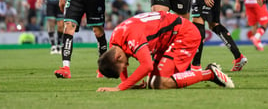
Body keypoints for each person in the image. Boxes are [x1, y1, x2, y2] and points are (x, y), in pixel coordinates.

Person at [97, 11, 234, 91]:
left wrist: (120, 87)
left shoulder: (132, 37)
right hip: (168, 40)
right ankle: (204, 73)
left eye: (123, 66)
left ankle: (209, 73)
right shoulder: (116, 40)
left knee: (160, 83)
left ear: (117, 57)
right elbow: (127, 65)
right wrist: (128, 84)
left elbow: (147, 65)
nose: (127, 66)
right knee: (152, 82)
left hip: (184, 34)